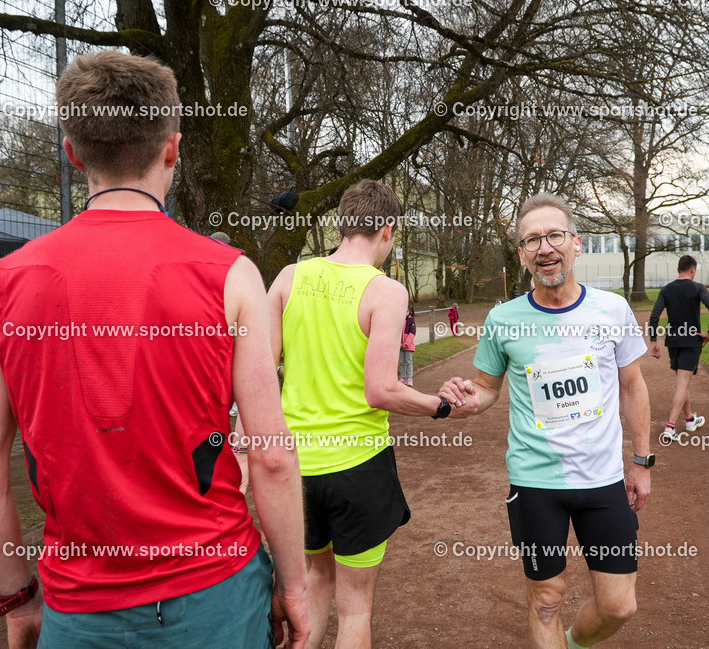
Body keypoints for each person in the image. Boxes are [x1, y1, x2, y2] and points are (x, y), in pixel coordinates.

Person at [0, 51, 309, 648]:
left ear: (73, 154)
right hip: (215, 591)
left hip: (80, 606)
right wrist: (294, 586)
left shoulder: (4, 283)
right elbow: (271, 457)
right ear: (173, 148)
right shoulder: (231, 274)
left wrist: (18, 601)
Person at [267, 179, 476, 649]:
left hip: (298, 468)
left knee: (316, 580)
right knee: (355, 606)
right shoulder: (385, 291)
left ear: (344, 223)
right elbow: (380, 390)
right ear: (387, 230)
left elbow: (259, 373)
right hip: (358, 466)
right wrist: (443, 407)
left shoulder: (288, 277)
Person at [440, 194, 651, 649]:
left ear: (576, 244)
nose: (545, 248)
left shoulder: (612, 310)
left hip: (603, 479)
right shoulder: (503, 319)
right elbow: (488, 387)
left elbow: (633, 386)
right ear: (522, 254)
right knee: (546, 600)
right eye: (532, 240)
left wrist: (641, 462)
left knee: (619, 605)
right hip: (535, 482)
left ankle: (572, 643)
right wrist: (469, 398)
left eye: (555, 235)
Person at [648, 255, 709, 441]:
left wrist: (653, 340)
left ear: (678, 269)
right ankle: (670, 427)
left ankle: (689, 419)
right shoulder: (698, 288)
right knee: (682, 384)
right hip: (691, 341)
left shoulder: (666, 289)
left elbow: (654, 316)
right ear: (693, 270)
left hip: (673, 341)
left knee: (682, 382)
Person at [399, 305, 416, 386]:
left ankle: (409, 379)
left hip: (408, 346)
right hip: (400, 346)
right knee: (402, 362)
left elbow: (412, 333)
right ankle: (403, 378)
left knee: (408, 362)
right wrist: (399, 344)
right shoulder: (400, 320)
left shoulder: (411, 320)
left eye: (407, 311)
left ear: (409, 311)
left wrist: (406, 344)